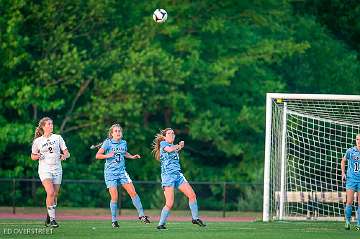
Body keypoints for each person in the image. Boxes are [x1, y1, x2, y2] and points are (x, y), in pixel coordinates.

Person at [95, 124, 150, 228]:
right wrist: (107, 155)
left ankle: (142, 215)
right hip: (110, 173)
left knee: (133, 192)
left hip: (122, 172)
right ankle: (114, 221)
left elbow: (124, 153)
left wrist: (132, 156)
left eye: (119, 131)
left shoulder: (124, 142)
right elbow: (97, 155)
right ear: (111, 134)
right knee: (114, 197)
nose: (118, 132)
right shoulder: (107, 143)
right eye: (115, 131)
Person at [152, 128, 206, 230]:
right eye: (169, 133)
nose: (171, 134)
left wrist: (179, 147)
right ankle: (160, 224)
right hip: (168, 177)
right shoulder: (164, 144)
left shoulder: (173, 146)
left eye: (173, 133)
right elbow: (169, 149)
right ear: (164, 136)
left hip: (178, 175)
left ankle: (195, 218)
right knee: (169, 203)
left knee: (192, 195)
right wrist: (179, 146)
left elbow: (174, 149)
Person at [31, 117, 70, 228]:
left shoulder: (58, 137)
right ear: (43, 127)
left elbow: (67, 153)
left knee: (55, 195)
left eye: (51, 123)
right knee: (51, 192)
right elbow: (32, 156)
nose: (51, 125)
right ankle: (53, 220)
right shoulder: (38, 141)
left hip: (57, 169)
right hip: (45, 169)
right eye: (48, 124)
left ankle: (49, 216)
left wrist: (64, 156)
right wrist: (37, 156)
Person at [341, 133, 360, 231]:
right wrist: (343, 173)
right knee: (349, 202)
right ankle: (347, 222)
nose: (359, 141)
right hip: (351, 180)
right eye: (357, 139)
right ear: (355, 140)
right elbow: (343, 161)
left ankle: (358, 224)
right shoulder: (350, 151)